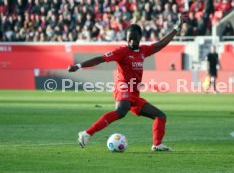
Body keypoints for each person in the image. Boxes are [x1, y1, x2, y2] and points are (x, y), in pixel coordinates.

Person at [68, 14, 185, 151]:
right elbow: (100, 59)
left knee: (160, 116)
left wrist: (177, 27)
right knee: (121, 111)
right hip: (122, 88)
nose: (131, 42)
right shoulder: (122, 51)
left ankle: (157, 144)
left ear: (140, 38)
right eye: (129, 39)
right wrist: (79, 66)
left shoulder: (143, 51)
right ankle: (87, 133)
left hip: (134, 94)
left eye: (134, 39)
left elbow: (161, 44)